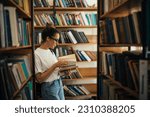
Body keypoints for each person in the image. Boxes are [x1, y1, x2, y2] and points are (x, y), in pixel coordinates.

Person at [34, 24, 68, 100]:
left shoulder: (50, 51)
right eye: (56, 40)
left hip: (58, 82)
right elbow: (39, 79)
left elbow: (54, 72)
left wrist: (64, 72)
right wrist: (55, 65)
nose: (57, 43)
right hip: (49, 87)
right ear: (48, 38)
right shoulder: (36, 54)